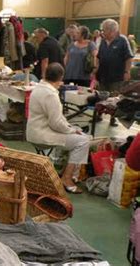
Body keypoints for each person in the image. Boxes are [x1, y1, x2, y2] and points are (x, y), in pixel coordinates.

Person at [26, 63, 91, 194]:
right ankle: (67, 179)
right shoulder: (50, 94)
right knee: (83, 141)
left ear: (45, 74)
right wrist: (71, 130)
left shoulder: (38, 88)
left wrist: (71, 128)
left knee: (77, 131)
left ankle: (65, 171)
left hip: (35, 131)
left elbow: (58, 120)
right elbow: (56, 123)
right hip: (42, 135)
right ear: (61, 77)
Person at [94, 19, 133, 93]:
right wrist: (95, 70)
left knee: (114, 100)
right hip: (102, 77)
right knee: (101, 99)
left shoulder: (122, 40)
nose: (102, 32)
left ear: (112, 30)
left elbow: (128, 58)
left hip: (116, 78)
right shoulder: (103, 41)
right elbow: (99, 57)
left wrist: (127, 72)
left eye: (104, 30)